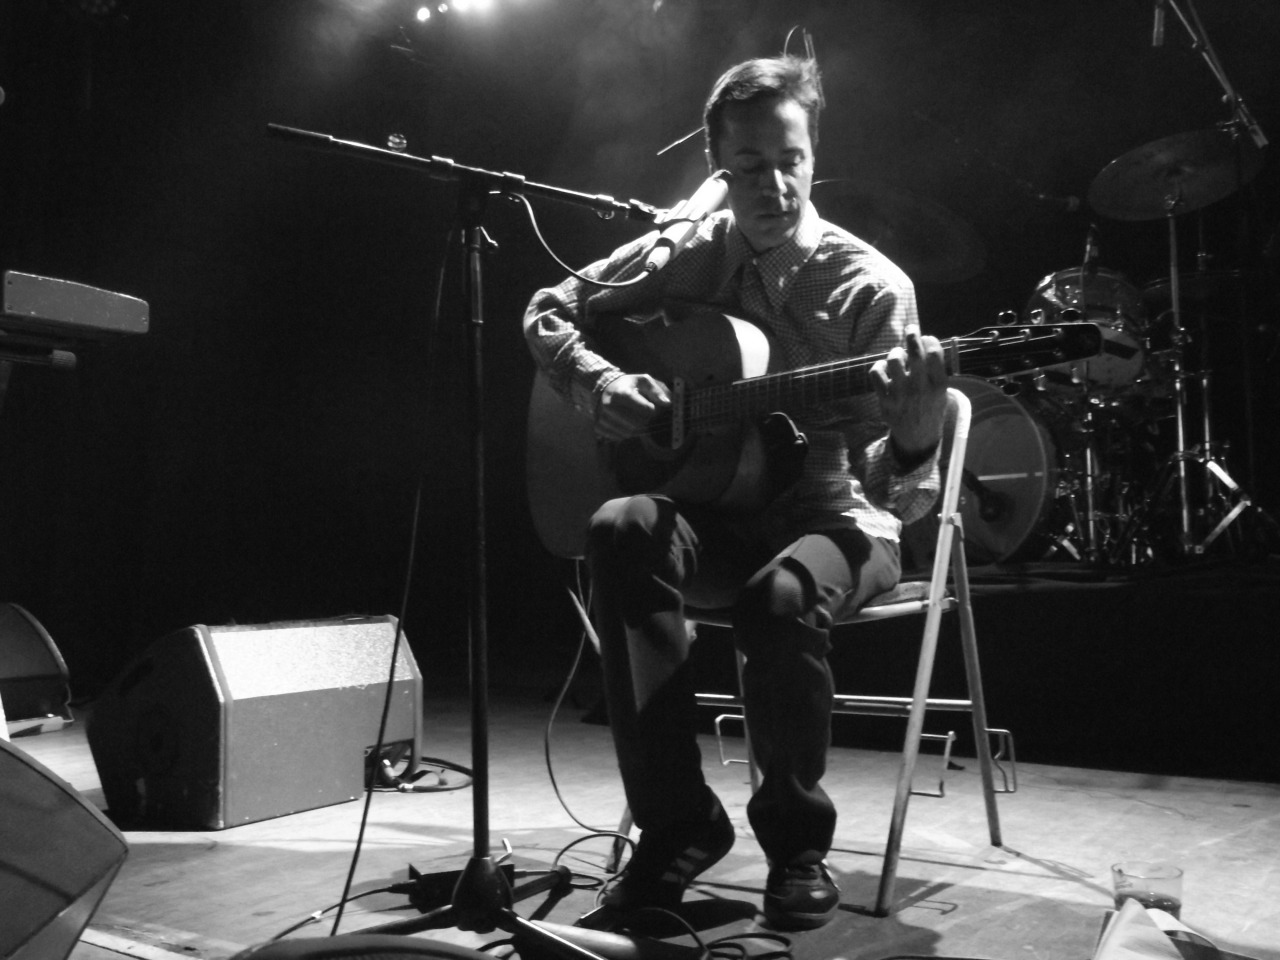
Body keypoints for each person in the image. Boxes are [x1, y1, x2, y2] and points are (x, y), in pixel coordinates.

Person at [523, 54, 948, 931]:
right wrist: (603, 384)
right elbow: (548, 309)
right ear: (718, 169)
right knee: (621, 524)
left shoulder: (873, 287)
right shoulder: (686, 251)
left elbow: (899, 500)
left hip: (837, 520)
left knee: (778, 597)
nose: (774, 186)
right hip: (722, 515)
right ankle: (679, 824)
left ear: (814, 156)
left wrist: (913, 438)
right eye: (749, 167)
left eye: (791, 161)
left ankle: (796, 847)